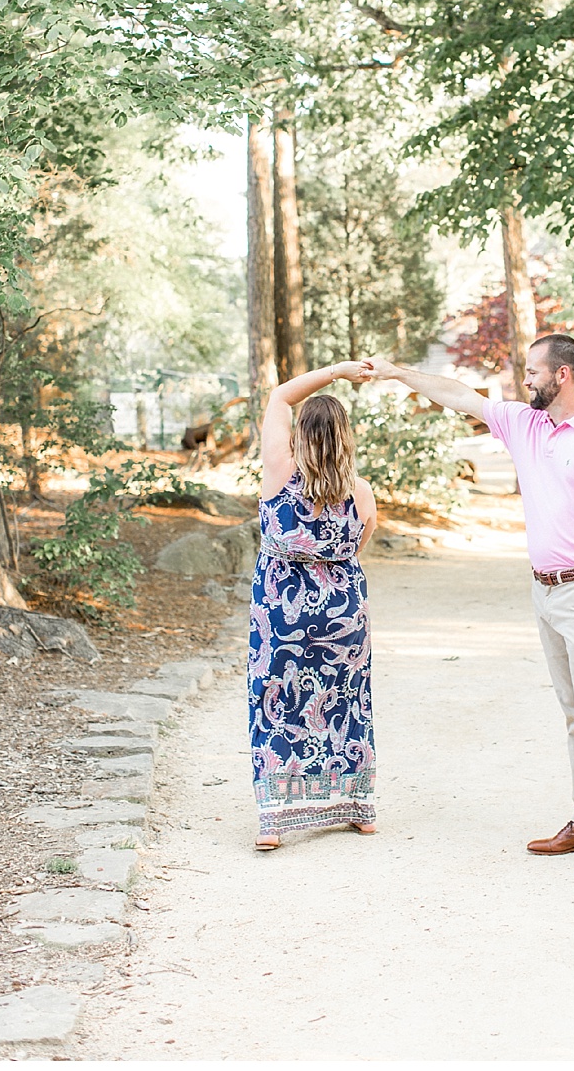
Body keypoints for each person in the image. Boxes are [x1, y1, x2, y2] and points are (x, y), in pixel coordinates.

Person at [364, 334, 574, 879]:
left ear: (561, 375)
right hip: (544, 591)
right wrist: (397, 372)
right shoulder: (525, 422)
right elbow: (459, 395)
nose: (525, 379)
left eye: (533, 371)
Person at [250, 363, 380, 851]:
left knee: (276, 703)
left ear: (299, 436)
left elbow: (281, 396)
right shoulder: (360, 491)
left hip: (281, 613)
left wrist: (337, 372)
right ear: (345, 439)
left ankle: (275, 820)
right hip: (344, 609)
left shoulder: (279, 473)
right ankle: (357, 809)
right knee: (347, 703)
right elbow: (362, 540)